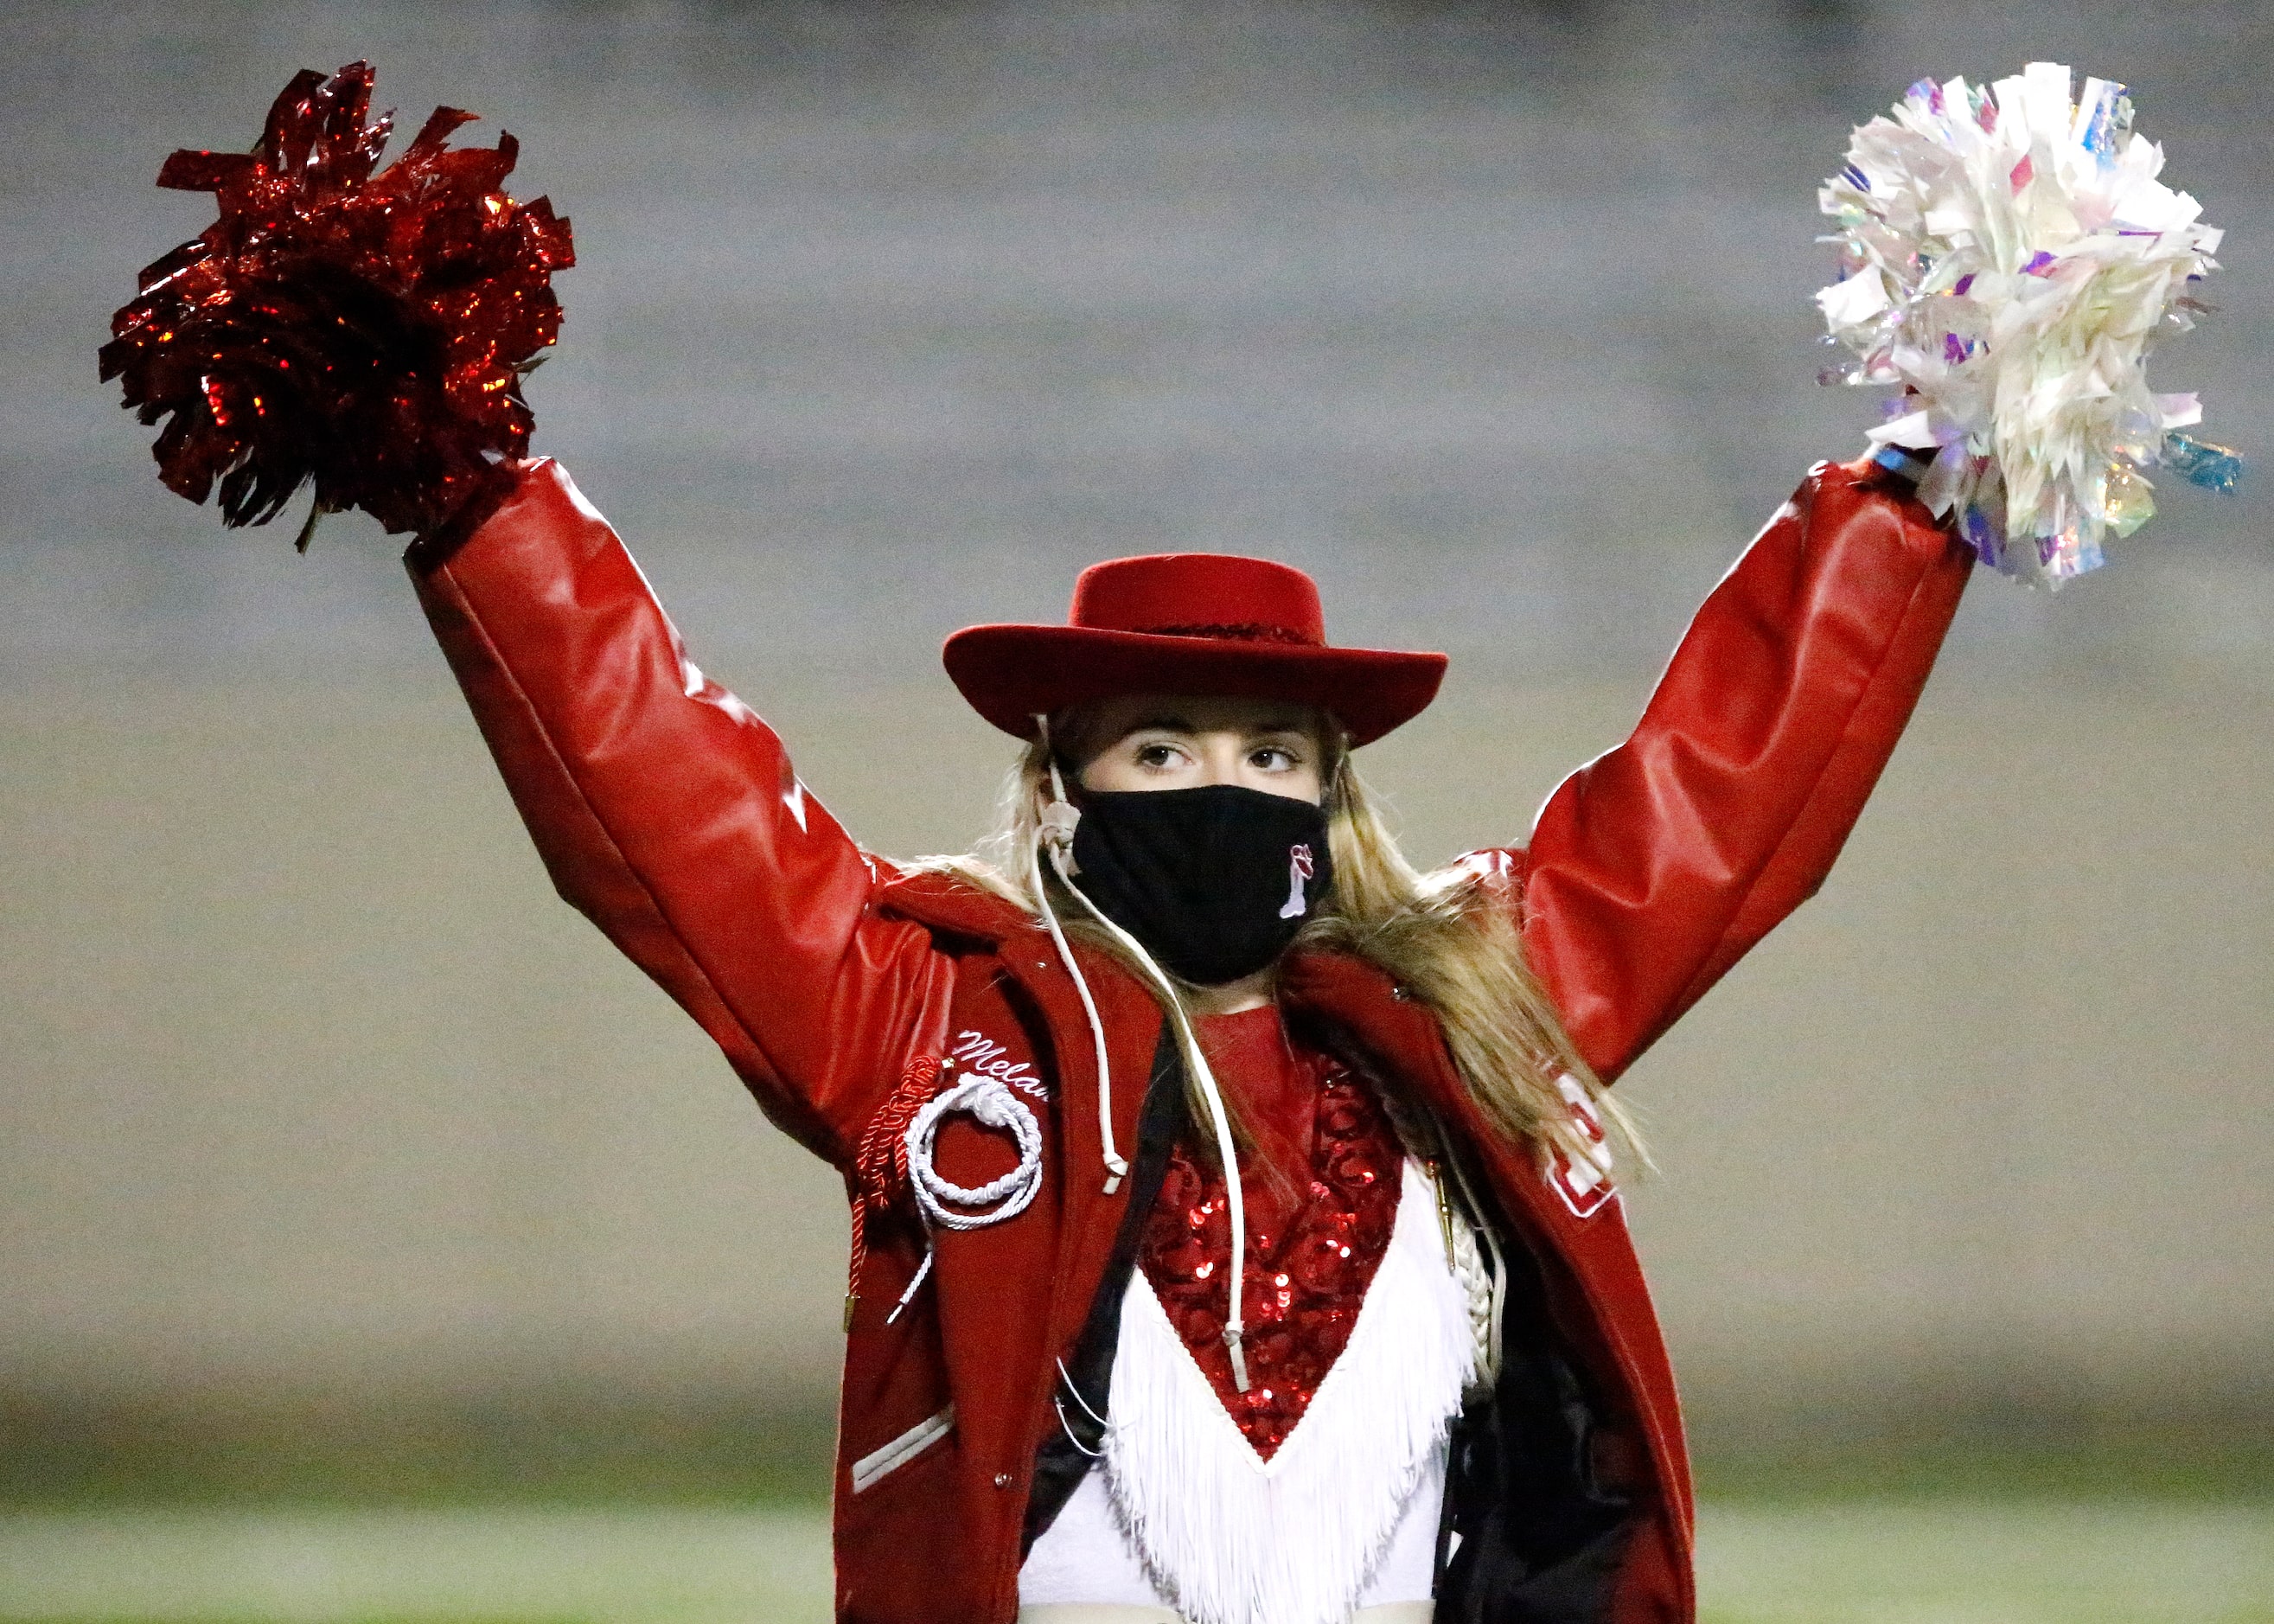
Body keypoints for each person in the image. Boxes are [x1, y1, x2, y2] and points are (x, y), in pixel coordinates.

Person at [404, 439, 1969, 1624]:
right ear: (1055, 796)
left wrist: (1914, 494)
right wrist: (472, 492)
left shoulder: (1472, 1014)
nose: (1221, 788)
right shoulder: (928, 1024)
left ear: (1329, 796)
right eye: (1159, 748)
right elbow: (671, 801)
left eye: (1270, 751)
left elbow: (1725, 794)